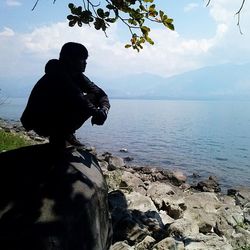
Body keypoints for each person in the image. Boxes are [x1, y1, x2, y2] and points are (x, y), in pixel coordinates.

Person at [21, 42, 110, 148]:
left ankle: (65, 134)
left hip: (56, 115)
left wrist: (104, 110)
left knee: (93, 98)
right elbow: (79, 100)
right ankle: (61, 136)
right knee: (86, 101)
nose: (85, 63)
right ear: (70, 60)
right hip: (40, 121)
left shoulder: (77, 75)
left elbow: (101, 94)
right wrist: (98, 113)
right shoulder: (57, 74)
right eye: (82, 60)